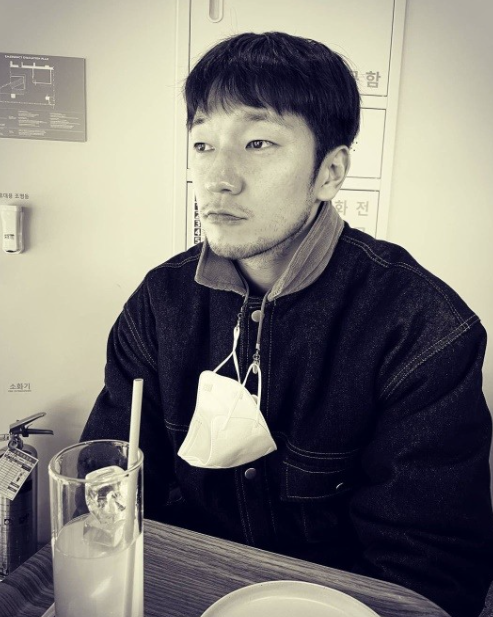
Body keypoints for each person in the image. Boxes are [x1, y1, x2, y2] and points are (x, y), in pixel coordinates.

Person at [81, 32, 493, 617]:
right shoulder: (160, 303)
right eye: (202, 144)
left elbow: (430, 575)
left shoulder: (420, 327)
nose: (218, 178)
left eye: (258, 142)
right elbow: (110, 487)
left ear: (330, 172)